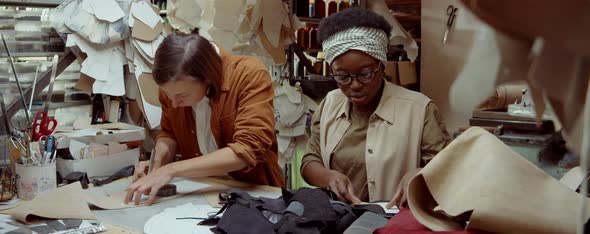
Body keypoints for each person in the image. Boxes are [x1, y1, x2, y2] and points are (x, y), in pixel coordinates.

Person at [300, 8, 451, 206]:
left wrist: (420, 175)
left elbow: (447, 170)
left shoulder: (419, 110)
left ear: (382, 65)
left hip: (396, 221)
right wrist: (328, 177)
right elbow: (310, 159)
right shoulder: (329, 104)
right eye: (342, 76)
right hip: (341, 217)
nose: (354, 85)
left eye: (365, 73)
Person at [125, 33, 284, 205]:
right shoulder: (174, 87)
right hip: (202, 191)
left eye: (182, 95)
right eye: (168, 94)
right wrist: (158, 164)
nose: (174, 103)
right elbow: (169, 134)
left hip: (254, 195)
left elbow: (247, 151)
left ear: (207, 78)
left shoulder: (249, 75)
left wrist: (172, 170)